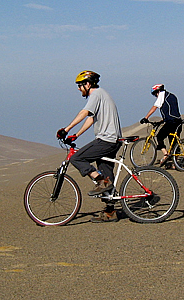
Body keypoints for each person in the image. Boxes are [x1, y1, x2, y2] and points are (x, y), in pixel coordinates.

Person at [56, 70, 122, 223]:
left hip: (107, 140)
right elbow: (91, 119)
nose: (79, 89)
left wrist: (66, 129)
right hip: (113, 140)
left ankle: (100, 181)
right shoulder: (101, 95)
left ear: (88, 84)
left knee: (76, 157)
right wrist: (76, 135)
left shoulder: (96, 94)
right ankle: (110, 212)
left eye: (80, 85)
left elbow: (84, 112)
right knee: (107, 173)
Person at [140, 84, 182, 167]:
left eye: (155, 94)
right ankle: (175, 164)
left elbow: (155, 107)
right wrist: (163, 120)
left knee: (159, 137)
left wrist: (146, 117)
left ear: (157, 91)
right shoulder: (172, 96)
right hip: (178, 122)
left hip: (171, 122)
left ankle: (166, 155)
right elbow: (172, 111)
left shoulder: (162, 95)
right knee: (173, 142)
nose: (156, 96)